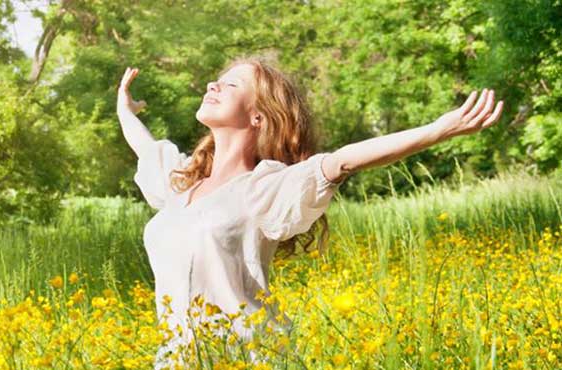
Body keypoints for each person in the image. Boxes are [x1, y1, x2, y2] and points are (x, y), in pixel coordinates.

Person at [115, 56, 504, 369]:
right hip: (178, 360)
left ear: (258, 117)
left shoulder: (264, 187)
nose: (212, 85)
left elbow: (341, 161)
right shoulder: (182, 185)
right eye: (217, 81)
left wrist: (436, 130)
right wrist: (125, 109)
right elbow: (147, 148)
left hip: (247, 358)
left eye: (231, 84)